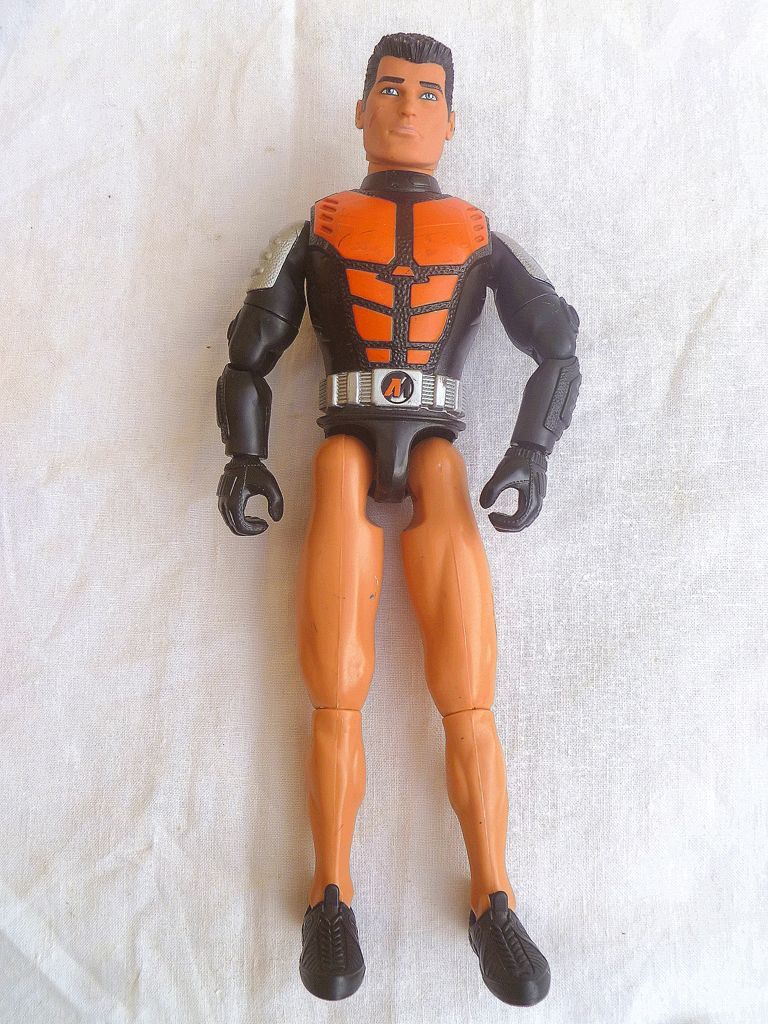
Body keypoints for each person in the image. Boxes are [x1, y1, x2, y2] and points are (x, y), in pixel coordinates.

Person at [216, 31, 580, 1006]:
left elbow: (559, 340)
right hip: (342, 441)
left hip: (436, 450)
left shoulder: (479, 232)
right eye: (389, 88)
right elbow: (250, 350)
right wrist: (244, 451)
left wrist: (533, 448)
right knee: (335, 683)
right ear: (361, 108)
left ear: (450, 118)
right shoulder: (317, 226)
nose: (408, 107)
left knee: (467, 688)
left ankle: (493, 896)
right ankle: (329, 892)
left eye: (426, 93)